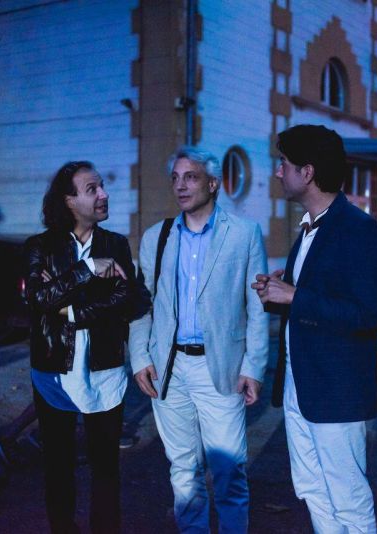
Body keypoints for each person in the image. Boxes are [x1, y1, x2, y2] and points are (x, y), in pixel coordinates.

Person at [252, 124, 377, 533]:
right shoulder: (310, 227)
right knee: (312, 489)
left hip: (336, 391)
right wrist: (277, 293)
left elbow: (367, 315)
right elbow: (318, 297)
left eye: (284, 163)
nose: (278, 172)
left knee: (348, 498)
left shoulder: (359, 229)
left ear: (307, 172)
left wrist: (295, 296)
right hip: (300, 387)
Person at [129, 146, 268, 533]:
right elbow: (143, 304)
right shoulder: (157, 237)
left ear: (213, 184)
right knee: (183, 469)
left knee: (228, 471)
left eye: (190, 177)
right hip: (169, 369)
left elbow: (257, 307)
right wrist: (140, 357)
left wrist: (254, 367)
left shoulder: (244, 234)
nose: (180, 186)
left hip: (219, 367)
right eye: (175, 178)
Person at [24, 161, 150, 533]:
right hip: (54, 371)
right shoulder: (40, 247)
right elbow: (37, 299)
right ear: (69, 200)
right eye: (92, 189)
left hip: (105, 370)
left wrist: (69, 309)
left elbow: (127, 298)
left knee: (106, 468)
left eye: (102, 186)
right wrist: (88, 269)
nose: (103, 195)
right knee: (58, 467)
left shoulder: (116, 244)